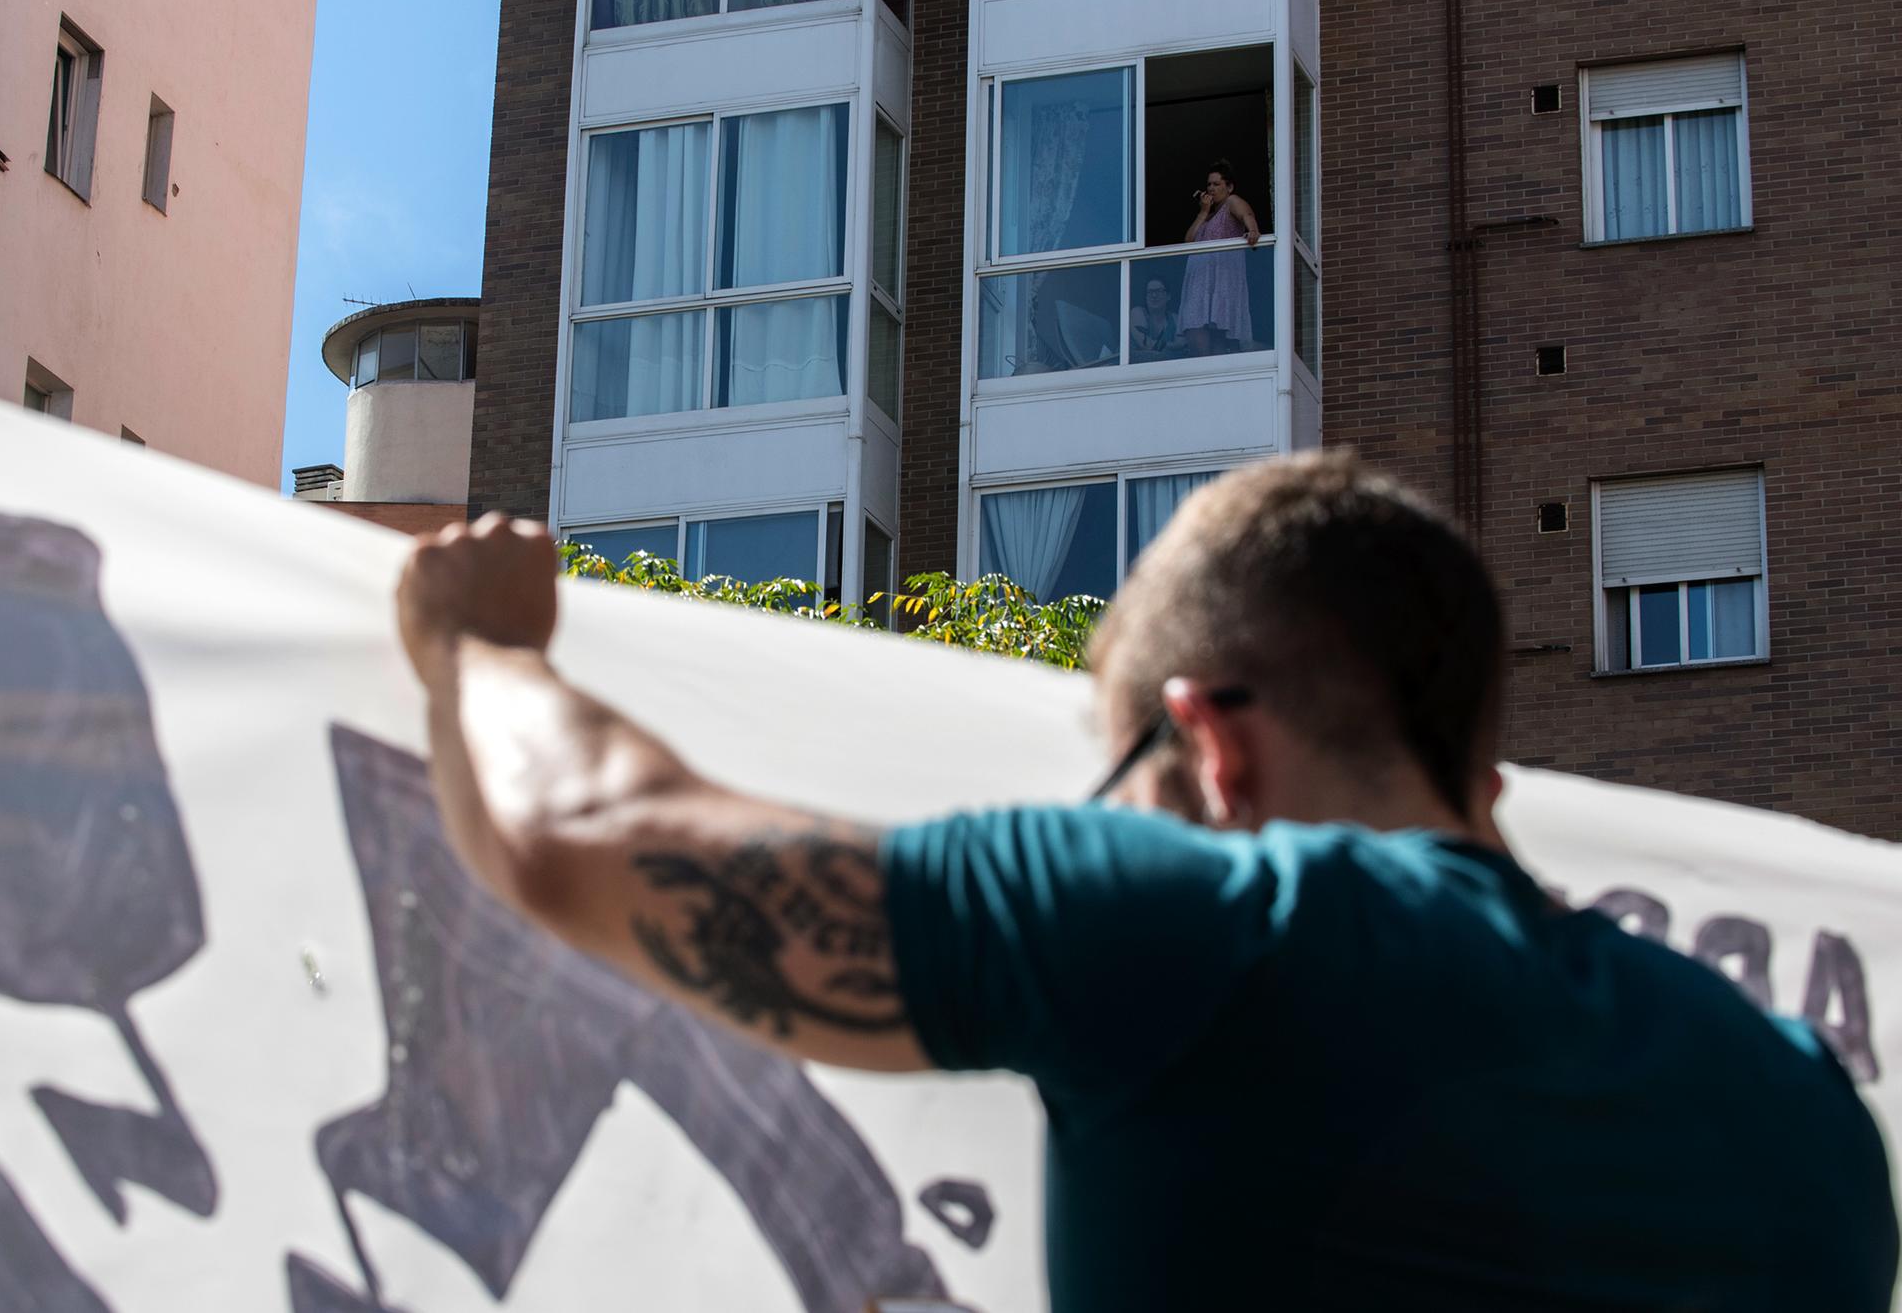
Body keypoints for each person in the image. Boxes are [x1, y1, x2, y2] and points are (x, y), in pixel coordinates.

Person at [396, 453, 1898, 1312]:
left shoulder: (1219, 935)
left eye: (1125, 783)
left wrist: (478, 638)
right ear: (1476, 772)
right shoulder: (1803, 1102)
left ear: (1208, 747)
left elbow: (584, 829)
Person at [1177, 156, 1262, 357]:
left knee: (1218, 344)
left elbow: (1247, 215)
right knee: (1196, 333)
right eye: (1209, 185)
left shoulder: (1231, 202)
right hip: (1199, 283)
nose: (1212, 189)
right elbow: (1188, 242)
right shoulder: (1207, 217)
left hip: (1221, 280)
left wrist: (1253, 230)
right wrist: (1203, 212)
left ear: (1229, 187)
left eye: (1217, 184)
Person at [1128, 275, 1183, 362]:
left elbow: (1181, 346)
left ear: (1168, 296)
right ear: (1145, 297)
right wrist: (1171, 346)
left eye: (1159, 291)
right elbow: (1146, 345)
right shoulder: (1137, 313)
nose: (1154, 295)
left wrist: (1160, 346)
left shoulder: (1175, 319)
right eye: (1150, 292)